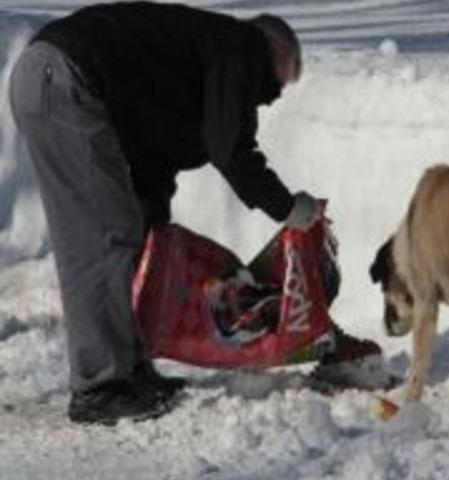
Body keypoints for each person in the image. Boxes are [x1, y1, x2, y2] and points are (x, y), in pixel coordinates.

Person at [9, 2, 380, 426]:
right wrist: (289, 207)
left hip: (57, 79)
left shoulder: (193, 65)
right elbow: (231, 152)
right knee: (101, 240)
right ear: (272, 52)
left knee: (125, 237)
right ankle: (99, 388)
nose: (272, 97)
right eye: (279, 81)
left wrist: (154, 225)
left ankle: (129, 371)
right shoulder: (239, 48)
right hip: (64, 80)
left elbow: (152, 156)